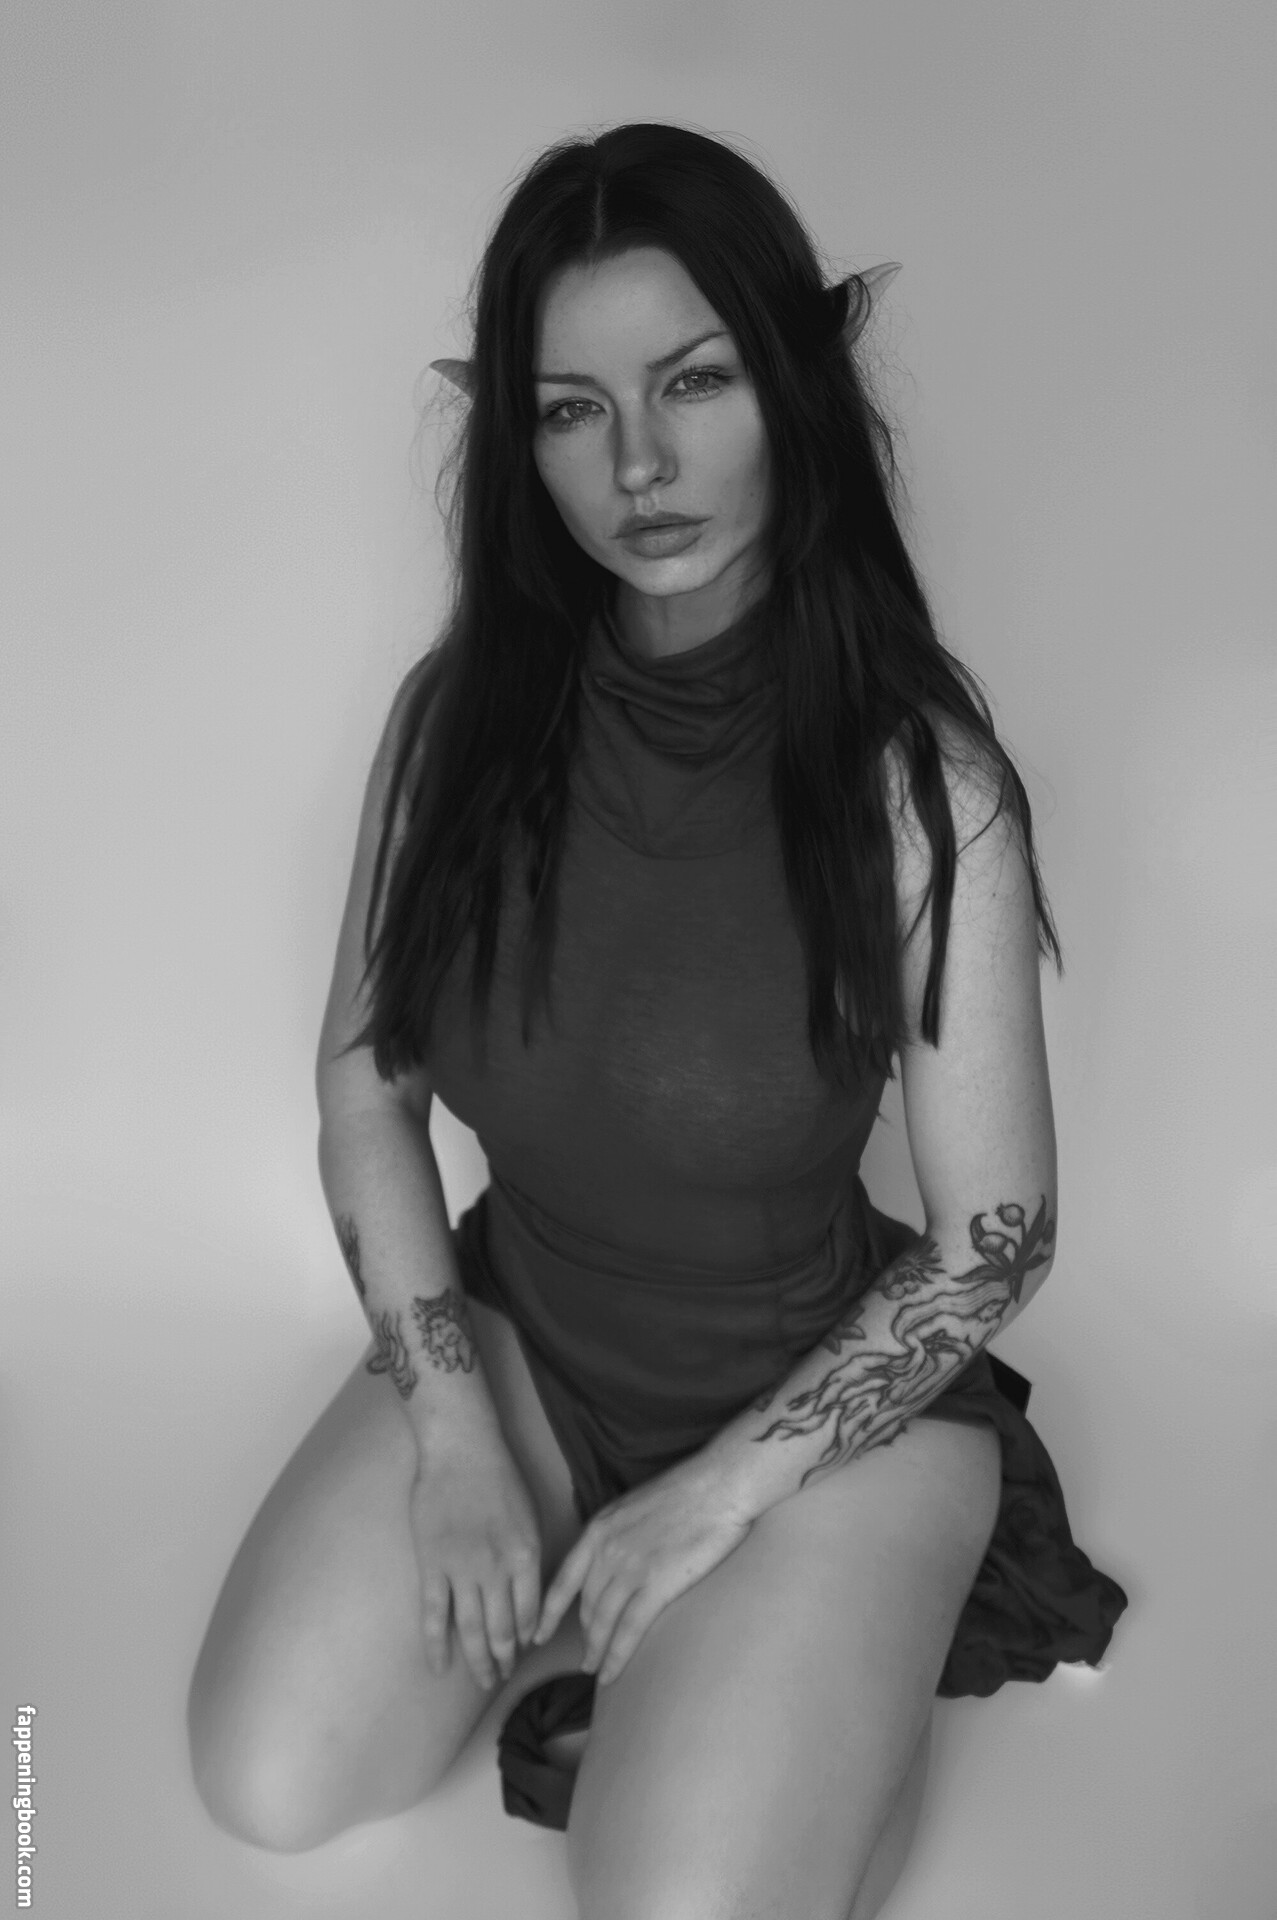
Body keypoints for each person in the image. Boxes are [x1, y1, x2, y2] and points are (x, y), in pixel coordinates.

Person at [186, 122, 1127, 1918]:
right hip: (528, 1344)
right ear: (515, 437)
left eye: (693, 382)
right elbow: (367, 1094)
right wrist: (455, 1437)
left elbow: (995, 1237)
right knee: (267, 1782)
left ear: (790, 384)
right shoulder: (454, 722)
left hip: (822, 1408)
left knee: (671, 1910)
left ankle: (828, 1673)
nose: (636, 464)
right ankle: (685, 1666)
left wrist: (716, 1498)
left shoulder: (922, 785)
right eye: (569, 409)